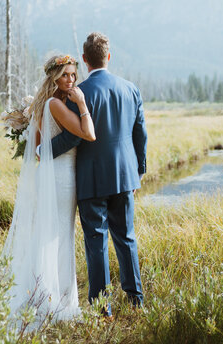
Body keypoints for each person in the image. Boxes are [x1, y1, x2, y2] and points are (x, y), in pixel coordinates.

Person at [52, 32, 147, 316]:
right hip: (124, 177)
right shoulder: (131, 89)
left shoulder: (78, 94)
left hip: (91, 180)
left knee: (96, 243)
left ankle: (101, 308)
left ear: (84, 59)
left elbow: (73, 138)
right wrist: (137, 172)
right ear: (109, 56)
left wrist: (41, 150)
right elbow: (140, 134)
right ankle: (135, 300)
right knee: (126, 238)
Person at [0, 54, 95, 328]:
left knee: (52, 235)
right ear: (54, 77)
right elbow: (87, 133)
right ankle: (56, 300)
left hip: (51, 175)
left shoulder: (43, 104)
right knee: (61, 235)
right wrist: (82, 102)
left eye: (74, 74)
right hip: (62, 178)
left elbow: (40, 148)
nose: (71, 79)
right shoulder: (54, 104)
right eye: (65, 74)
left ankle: (44, 294)